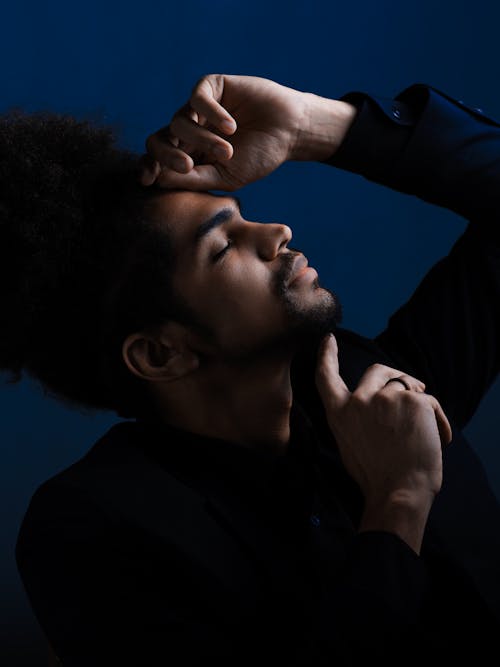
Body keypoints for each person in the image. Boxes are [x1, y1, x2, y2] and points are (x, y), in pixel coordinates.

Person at [11, 73, 500, 665]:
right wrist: (399, 503)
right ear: (160, 354)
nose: (276, 232)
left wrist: (316, 128)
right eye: (221, 247)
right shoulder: (93, 534)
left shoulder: (372, 380)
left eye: (243, 214)